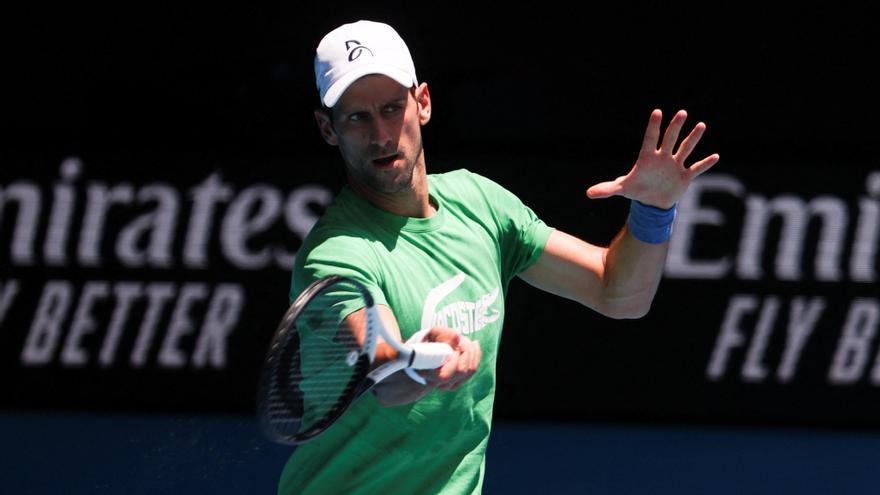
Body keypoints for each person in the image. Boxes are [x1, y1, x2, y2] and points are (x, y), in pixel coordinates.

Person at [279, 19, 719, 494]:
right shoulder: (335, 255)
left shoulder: (481, 205)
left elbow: (619, 293)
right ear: (328, 128)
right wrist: (418, 359)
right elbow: (384, 369)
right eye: (356, 117)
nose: (381, 134)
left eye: (391, 108)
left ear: (422, 103)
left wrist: (653, 211)